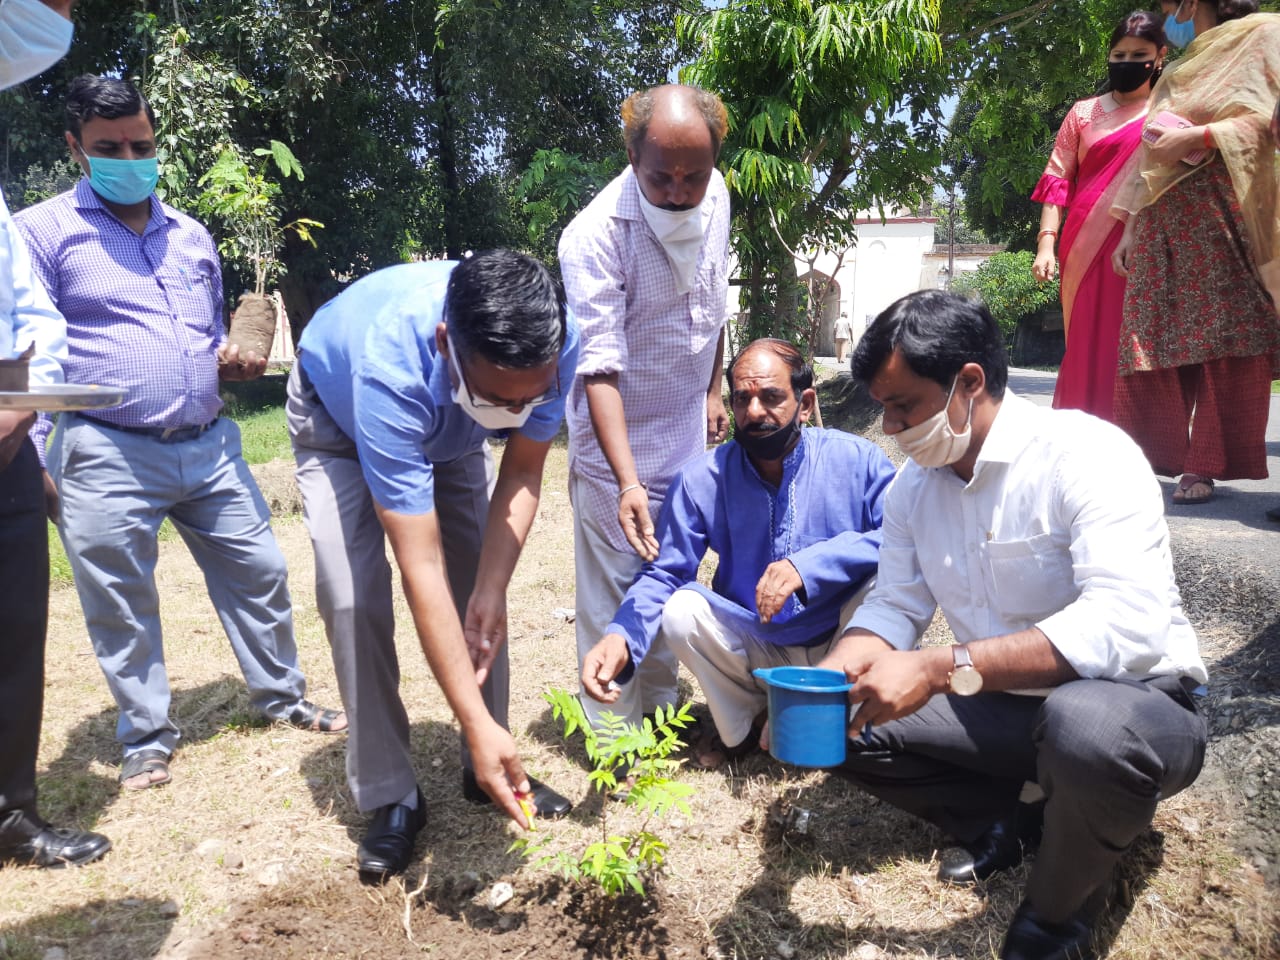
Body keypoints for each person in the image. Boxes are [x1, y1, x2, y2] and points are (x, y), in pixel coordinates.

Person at [823, 290, 1207, 960]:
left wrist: (941, 668)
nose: (888, 427)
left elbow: (1126, 625)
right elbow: (895, 604)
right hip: (1003, 709)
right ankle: (1018, 820)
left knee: (1086, 731)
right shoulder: (916, 487)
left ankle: (1057, 916)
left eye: (903, 404)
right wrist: (834, 672)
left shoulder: (1087, 454)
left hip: (1138, 706)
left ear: (969, 382)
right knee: (840, 718)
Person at [15, 75, 344, 795]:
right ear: (76, 149)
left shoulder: (190, 232)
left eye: (142, 143)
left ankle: (282, 696)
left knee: (259, 571)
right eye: (110, 148)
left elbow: (204, 328)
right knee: (119, 599)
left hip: (210, 441)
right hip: (105, 447)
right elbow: (26, 347)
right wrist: (37, 458)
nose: (130, 156)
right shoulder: (39, 233)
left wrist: (231, 359)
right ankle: (146, 738)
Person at [288, 251, 578, 882]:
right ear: (448, 343)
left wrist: (492, 586)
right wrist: (465, 720)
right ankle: (393, 792)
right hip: (336, 417)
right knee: (351, 595)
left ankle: (492, 766)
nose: (520, 411)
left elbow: (525, 469)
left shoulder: (553, 342)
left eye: (533, 396)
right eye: (503, 397)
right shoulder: (392, 366)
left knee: (480, 579)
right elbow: (419, 563)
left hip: (453, 427)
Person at [580, 339, 894, 767]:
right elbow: (664, 574)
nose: (755, 412)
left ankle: (842, 710)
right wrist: (622, 635)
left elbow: (902, 539)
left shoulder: (857, 461)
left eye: (771, 397)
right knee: (681, 608)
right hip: (757, 640)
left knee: (884, 583)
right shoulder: (702, 478)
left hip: (840, 640)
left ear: (804, 404)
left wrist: (809, 566)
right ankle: (745, 725)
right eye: (742, 399)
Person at [559, 83, 732, 737]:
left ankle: (661, 715)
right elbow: (598, 368)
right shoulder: (595, 238)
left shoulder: (718, 198)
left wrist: (712, 390)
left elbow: (715, 304)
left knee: (671, 574)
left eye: (696, 174)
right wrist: (628, 479)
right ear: (632, 156)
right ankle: (614, 739)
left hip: (686, 431)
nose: (681, 191)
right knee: (613, 588)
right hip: (616, 443)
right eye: (663, 177)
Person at [0, 0, 112, 871]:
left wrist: (16, 406)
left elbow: (25, 314)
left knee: (14, 636)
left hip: (5, 441)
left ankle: (11, 812)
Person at [1111, 1, 1278, 506]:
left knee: (1219, 335)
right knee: (1147, 335)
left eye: (1167, 2)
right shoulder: (1182, 66)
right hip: (1162, 217)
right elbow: (1148, 152)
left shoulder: (1266, 35)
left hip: (1224, 212)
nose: (1166, 11)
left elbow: (1268, 125)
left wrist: (1200, 134)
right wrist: (1129, 228)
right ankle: (1137, 458)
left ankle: (1202, 464)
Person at [1031, 12, 1166, 422]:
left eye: (1139, 54)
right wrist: (1046, 245)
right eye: (1118, 53)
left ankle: (1133, 443)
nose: (1127, 62)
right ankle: (1077, 438)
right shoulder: (1082, 114)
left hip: (1142, 243)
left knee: (1130, 343)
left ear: (1159, 57)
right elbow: (1057, 179)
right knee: (1085, 341)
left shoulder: (1169, 112)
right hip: (1082, 247)